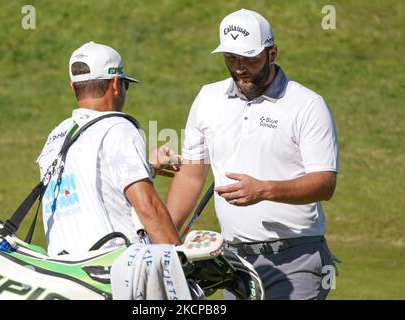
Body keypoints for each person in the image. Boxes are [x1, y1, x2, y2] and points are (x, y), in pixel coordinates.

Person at [166, 9, 339, 300]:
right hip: (235, 264)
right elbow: (192, 176)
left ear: (272, 53)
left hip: (297, 257)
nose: (239, 67)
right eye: (231, 58)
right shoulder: (208, 99)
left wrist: (264, 190)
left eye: (249, 58)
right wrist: (164, 240)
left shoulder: (307, 105)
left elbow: (325, 183)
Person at [37, 41, 180, 256]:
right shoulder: (118, 127)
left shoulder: (56, 135)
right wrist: (181, 262)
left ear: (73, 87)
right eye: (125, 84)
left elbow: (91, 186)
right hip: (111, 272)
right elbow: (148, 206)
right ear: (115, 84)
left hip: (64, 271)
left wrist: (148, 167)